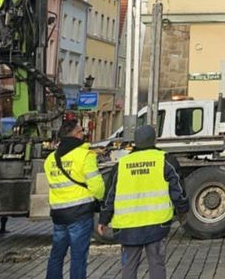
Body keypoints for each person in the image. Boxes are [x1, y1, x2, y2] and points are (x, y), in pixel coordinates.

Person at [98, 125, 189, 279]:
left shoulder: (122, 164)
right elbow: (178, 191)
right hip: (157, 224)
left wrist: (103, 219)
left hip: (127, 226)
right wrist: (183, 210)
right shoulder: (165, 160)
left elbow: (110, 195)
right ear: (154, 140)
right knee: (157, 264)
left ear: (135, 141)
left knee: (129, 266)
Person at [45, 118, 105, 279]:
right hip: (80, 213)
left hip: (58, 214)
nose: (83, 134)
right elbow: (97, 186)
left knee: (56, 255)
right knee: (78, 257)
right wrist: (101, 199)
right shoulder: (85, 155)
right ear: (76, 134)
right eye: (81, 131)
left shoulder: (50, 159)